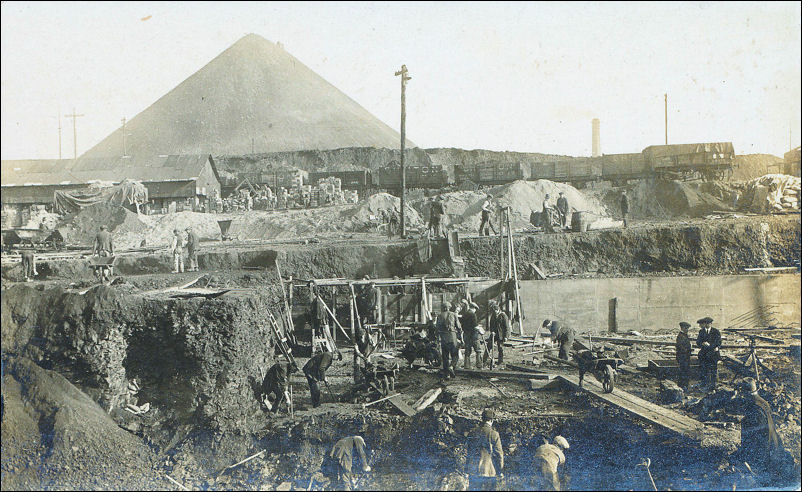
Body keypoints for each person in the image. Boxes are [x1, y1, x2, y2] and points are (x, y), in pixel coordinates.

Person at [468, 408, 504, 491]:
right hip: (490, 470)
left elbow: (469, 452)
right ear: (491, 420)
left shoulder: (472, 432)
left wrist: (467, 470)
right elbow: (499, 454)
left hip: (474, 470)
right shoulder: (494, 434)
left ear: (482, 419)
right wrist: (500, 471)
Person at [437, 302, 462, 379]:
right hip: (452, 336)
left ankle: (447, 374)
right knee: (455, 355)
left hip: (444, 338)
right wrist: (460, 336)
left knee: (445, 357)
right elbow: (458, 327)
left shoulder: (439, 316)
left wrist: (439, 337)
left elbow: (437, 328)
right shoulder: (453, 314)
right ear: (449, 307)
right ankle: (451, 366)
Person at [696, 316, 721, 391]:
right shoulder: (701, 331)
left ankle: (713, 386)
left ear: (711, 324)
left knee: (713, 371)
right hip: (704, 355)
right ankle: (705, 385)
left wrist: (710, 345)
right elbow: (698, 342)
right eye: (706, 323)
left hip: (713, 354)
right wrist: (702, 343)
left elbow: (718, 342)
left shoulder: (716, 331)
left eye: (708, 323)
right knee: (704, 370)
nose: (707, 324)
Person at [486, 301, 510, 365]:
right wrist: (492, 331)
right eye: (493, 312)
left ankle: (500, 361)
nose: (494, 313)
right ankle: (484, 360)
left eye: (495, 311)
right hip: (494, 334)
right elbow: (491, 325)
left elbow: (507, 327)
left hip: (501, 335)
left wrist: (506, 337)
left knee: (500, 348)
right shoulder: (493, 316)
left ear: (498, 310)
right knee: (488, 346)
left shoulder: (503, 316)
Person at [461, 300, 483, 369]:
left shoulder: (465, 314)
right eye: (475, 309)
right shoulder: (473, 315)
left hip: (466, 335)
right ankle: (479, 365)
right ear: (474, 308)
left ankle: (466, 366)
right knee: (478, 350)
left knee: (467, 350)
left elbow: (463, 324)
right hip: (473, 336)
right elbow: (475, 326)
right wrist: (481, 331)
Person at [675, 321, 692, 391]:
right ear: (683, 328)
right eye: (687, 328)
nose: (687, 330)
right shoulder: (681, 336)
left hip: (685, 356)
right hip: (682, 357)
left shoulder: (684, 335)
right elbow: (681, 347)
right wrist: (688, 351)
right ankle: (683, 386)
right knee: (683, 371)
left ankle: (684, 385)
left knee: (685, 371)